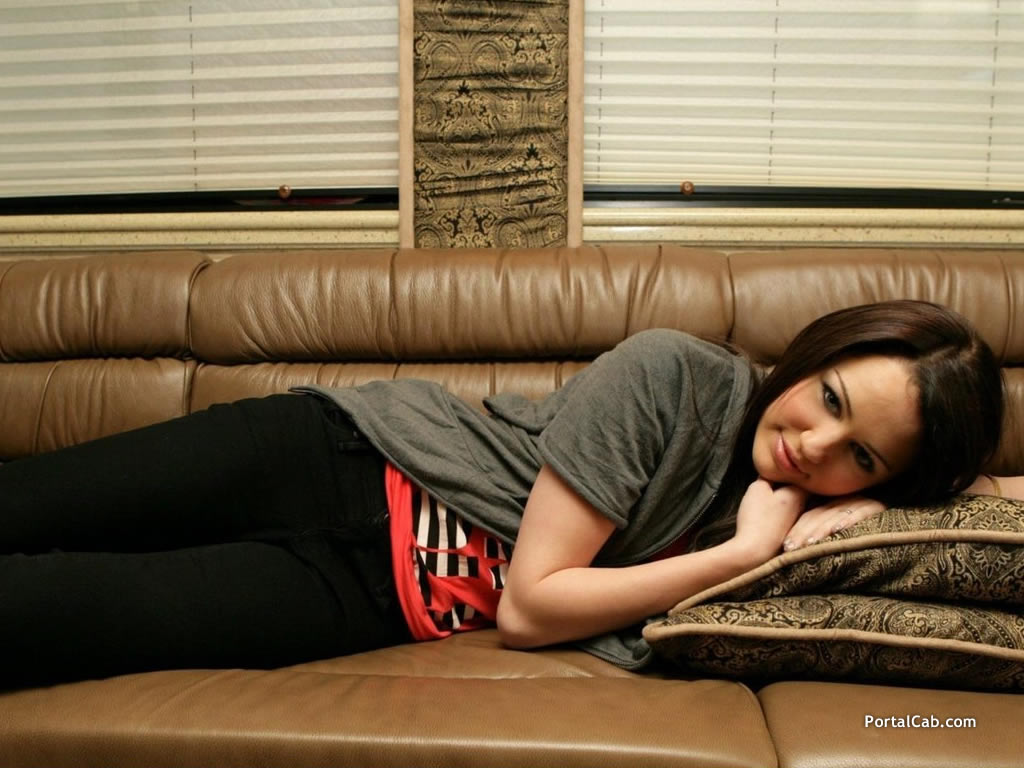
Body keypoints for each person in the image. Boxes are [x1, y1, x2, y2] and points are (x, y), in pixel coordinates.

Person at [0, 299, 1005, 689]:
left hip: (376, 596)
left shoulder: (808, 519)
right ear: (813, 358)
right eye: (828, 399)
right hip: (338, 457)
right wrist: (743, 554)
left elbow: (994, 497)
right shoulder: (676, 377)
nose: (811, 446)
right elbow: (531, 609)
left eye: (859, 455)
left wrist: (881, 508)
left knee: (44, 618)